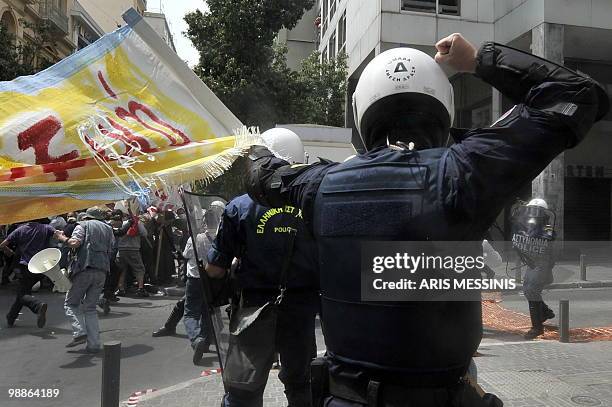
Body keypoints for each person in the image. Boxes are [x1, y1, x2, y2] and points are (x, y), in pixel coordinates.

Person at [245, 34, 609, 406]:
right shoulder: (465, 172)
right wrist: (478, 60)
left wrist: (255, 147)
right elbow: (578, 94)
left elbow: (262, 176)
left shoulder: (321, 185)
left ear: (361, 111)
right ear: (443, 106)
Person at [207, 155, 319, 407]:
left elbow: (214, 270)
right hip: (300, 311)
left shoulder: (239, 207)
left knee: (243, 390)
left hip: (253, 311)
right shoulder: (310, 205)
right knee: (302, 386)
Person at [57, 207, 115, 352]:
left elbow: (74, 243)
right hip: (102, 270)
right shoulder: (108, 228)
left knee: (70, 303)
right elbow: (112, 247)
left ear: (87, 217)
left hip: (85, 268)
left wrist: (62, 237)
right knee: (90, 308)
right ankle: (94, 344)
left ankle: (79, 332)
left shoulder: (82, 225)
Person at [1, 218, 62, 328]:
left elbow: (3, 244)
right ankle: (11, 317)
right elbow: (58, 235)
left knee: (23, 293)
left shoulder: (20, 230)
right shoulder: (46, 228)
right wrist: (66, 240)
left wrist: (9, 251)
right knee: (23, 291)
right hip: (41, 268)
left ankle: (37, 306)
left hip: (26, 266)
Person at [511, 198, 556, 340]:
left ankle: (537, 327)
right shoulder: (528, 225)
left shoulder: (547, 226)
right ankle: (545, 312)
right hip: (532, 263)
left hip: (541, 264)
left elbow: (548, 238)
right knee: (527, 289)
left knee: (531, 291)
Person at [184, 208, 220, 364]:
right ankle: (205, 341)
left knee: (191, 312)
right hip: (212, 278)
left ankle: (196, 338)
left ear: (204, 222)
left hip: (195, 278)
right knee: (208, 310)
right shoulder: (220, 237)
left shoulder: (195, 238)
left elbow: (186, 254)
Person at [115, 208, 149, 297]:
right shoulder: (137, 223)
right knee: (139, 269)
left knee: (121, 269)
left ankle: (120, 289)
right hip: (134, 249)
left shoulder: (120, 224)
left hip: (121, 250)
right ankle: (140, 288)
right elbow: (144, 233)